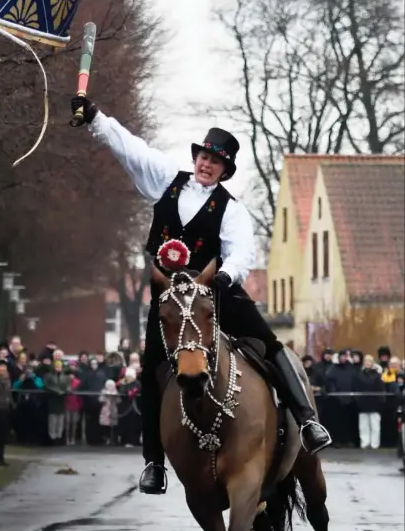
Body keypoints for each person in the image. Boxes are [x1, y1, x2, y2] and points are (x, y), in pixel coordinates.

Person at [70, 95, 331, 494]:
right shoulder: (167, 182)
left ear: (224, 170)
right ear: (196, 158)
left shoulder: (230, 208)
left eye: (215, 161)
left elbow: (243, 250)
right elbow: (132, 148)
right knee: (151, 370)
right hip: (171, 300)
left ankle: (307, 421)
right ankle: (154, 464)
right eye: (203, 156)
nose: (206, 164)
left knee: (271, 346)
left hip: (216, 293)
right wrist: (94, 119)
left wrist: (226, 276)